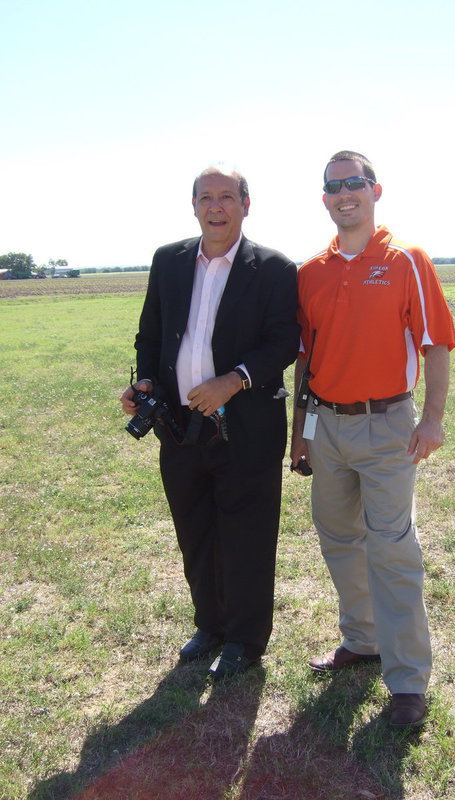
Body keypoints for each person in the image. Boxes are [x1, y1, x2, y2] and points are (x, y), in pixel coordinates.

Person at [290, 150, 455, 728]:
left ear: (375, 190)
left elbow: (435, 343)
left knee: (392, 549)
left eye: (354, 183)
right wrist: (301, 435)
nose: (345, 193)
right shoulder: (310, 271)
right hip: (327, 427)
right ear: (324, 198)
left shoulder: (407, 260)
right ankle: (361, 642)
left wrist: (431, 419)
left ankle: (408, 681)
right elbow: (305, 363)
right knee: (339, 538)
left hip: (387, 425)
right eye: (334, 185)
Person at [120, 165, 299, 681]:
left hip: (247, 429)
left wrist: (234, 379)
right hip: (178, 428)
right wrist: (146, 384)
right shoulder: (168, 261)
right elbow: (150, 334)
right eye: (206, 197)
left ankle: (245, 639)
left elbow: (283, 342)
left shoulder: (274, 269)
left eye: (226, 197)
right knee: (194, 528)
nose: (215, 206)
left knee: (246, 533)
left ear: (246, 204)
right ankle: (210, 624)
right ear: (193, 205)